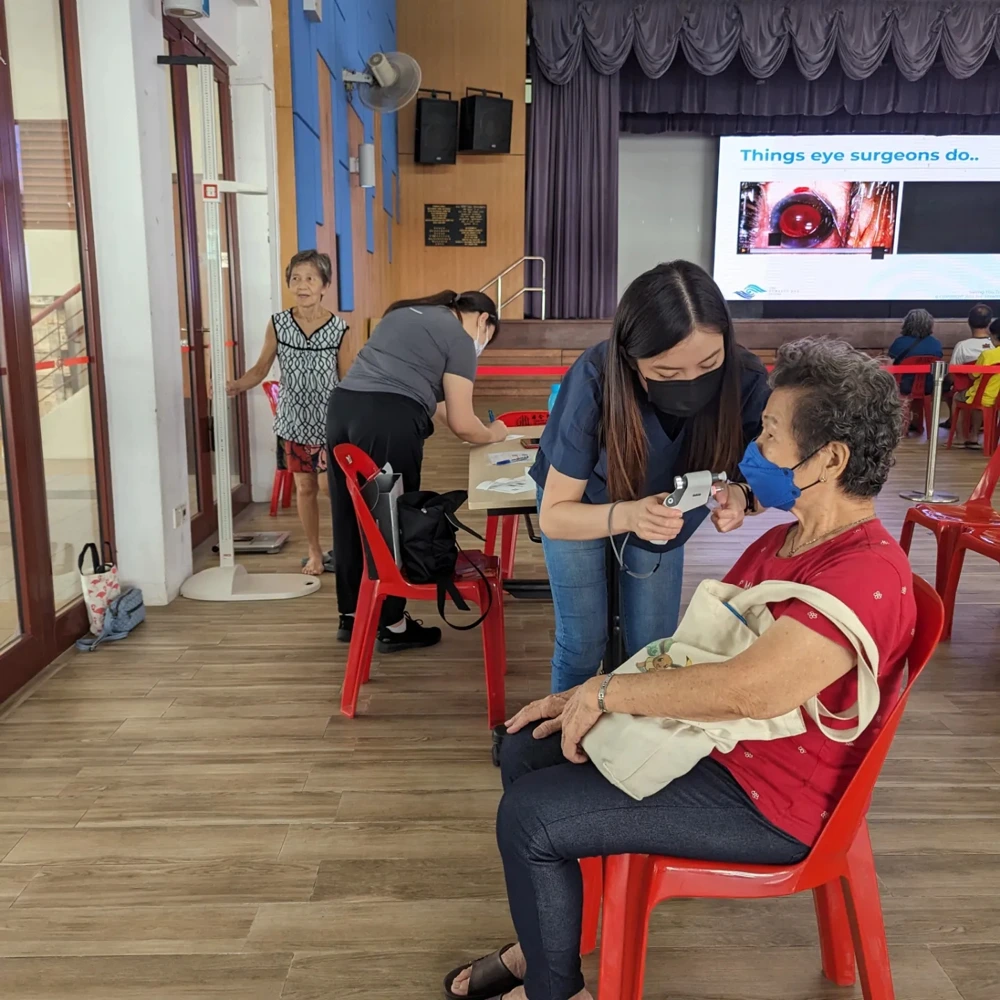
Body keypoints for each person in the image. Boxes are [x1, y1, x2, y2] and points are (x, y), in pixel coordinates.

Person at [443, 338, 916, 1000]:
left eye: (771, 436)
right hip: (727, 749)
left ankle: (555, 985)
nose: (753, 453)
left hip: (770, 799)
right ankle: (552, 942)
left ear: (830, 459)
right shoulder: (791, 537)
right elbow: (718, 668)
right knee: (524, 749)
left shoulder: (862, 575)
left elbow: (749, 691)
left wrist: (607, 692)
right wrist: (587, 694)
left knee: (532, 819)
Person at [529, 261, 770, 693]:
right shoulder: (595, 378)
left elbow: (775, 477)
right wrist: (628, 515)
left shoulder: (746, 378)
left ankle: (630, 743)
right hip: (581, 505)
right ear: (631, 360)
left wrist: (744, 496)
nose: (691, 384)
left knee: (653, 648)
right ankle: (563, 743)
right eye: (666, 374)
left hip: (664, 518)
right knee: (583, 643)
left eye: (708, 364)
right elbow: (556, 517)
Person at [328, 289, 507, 653]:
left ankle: (351, 615)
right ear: (485, 321)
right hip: (387, 418)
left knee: (350, 514)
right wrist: (493, 433)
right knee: (390, 522)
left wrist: (470, 429)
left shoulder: (406, 312)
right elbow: (461, 421)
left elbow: (435, 402)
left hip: (343, 408)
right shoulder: (459, 339)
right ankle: (392, 625)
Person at [227, 250, 345, 576]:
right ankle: (315, 551)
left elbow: (347, 378)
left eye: (310, 278)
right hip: (293, 421)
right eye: (296, 278)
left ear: (324, 285)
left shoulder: (339, 329)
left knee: (329, 488)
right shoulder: (279, 324)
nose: (302, 285)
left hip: (328, 422)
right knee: (305, 489)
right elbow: (260, 368)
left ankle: (345, 548)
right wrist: (236, 385)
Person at [949, 303, 995, 447]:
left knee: (956, 397)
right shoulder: (995, 347)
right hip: (991, 392)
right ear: (989, 322)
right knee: (980, 395)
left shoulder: (962, 346)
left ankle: (960, 437)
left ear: (969, 322)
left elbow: (952, 373)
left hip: (968, 391)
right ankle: (974, 434)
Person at [887, 307, 941, 398]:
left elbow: (889, 362)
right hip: (928, 387)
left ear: (907, 324)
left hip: (902, 386)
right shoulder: (936, 344)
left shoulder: (899, 342)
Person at [965, 317, 1000, 409]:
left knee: (957, 396)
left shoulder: (987, 355)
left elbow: (973, 376)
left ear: (995, 336)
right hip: (998, 398)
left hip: (982, 397)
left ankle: (962, 424)